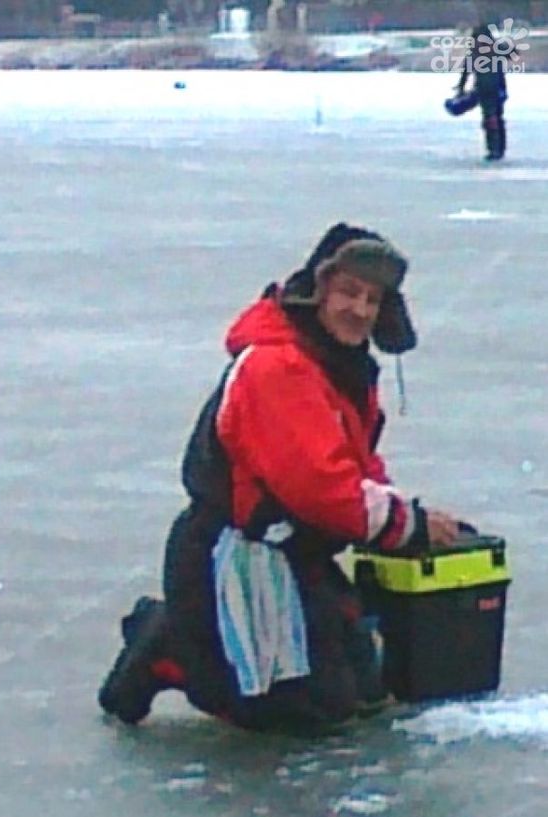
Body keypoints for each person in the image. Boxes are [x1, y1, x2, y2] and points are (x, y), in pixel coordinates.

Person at [97, 223, 465, 734]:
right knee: (299, 713)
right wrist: (408, 526)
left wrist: (406, 514)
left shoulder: (340, 366)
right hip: (233, 557)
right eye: (348, 292)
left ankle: (209, 639)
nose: (360, 310)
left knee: (361, 691)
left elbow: (354, 466)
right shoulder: (278, 367)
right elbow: (319, 487)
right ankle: (169, 647)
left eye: (372, 299)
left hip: (296, 553)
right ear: (317, 291)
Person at [456, 22, 509, 161]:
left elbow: (512, 52)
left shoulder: (495, 51)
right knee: (490, 119)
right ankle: (494, 148)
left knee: (495, 118)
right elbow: (465, 72)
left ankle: (498, 149)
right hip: (483, 91)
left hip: (497, 90)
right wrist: (460, 89)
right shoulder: (473, 54)